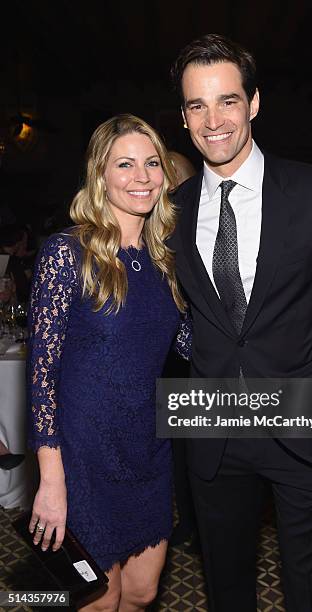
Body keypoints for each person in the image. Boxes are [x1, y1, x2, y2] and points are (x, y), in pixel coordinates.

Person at [169, 34, 312, 612]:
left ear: (255, 103)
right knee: (226, 591)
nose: (212, 120)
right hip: (213, 428)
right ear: (184, 115)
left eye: (227, 100)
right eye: (197, 105)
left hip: (309, 420)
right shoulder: (174, 208)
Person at [27, 114, 190, 612]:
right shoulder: (67, 253)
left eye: (151, 164)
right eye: (125, 164)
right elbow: (41, 376)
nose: (141, 176)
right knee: (100, 600)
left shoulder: (168, 261)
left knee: (141, 594)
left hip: (148, 452)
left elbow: (188, 347)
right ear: (101, 174)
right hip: (83, 460)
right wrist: (51, 482)